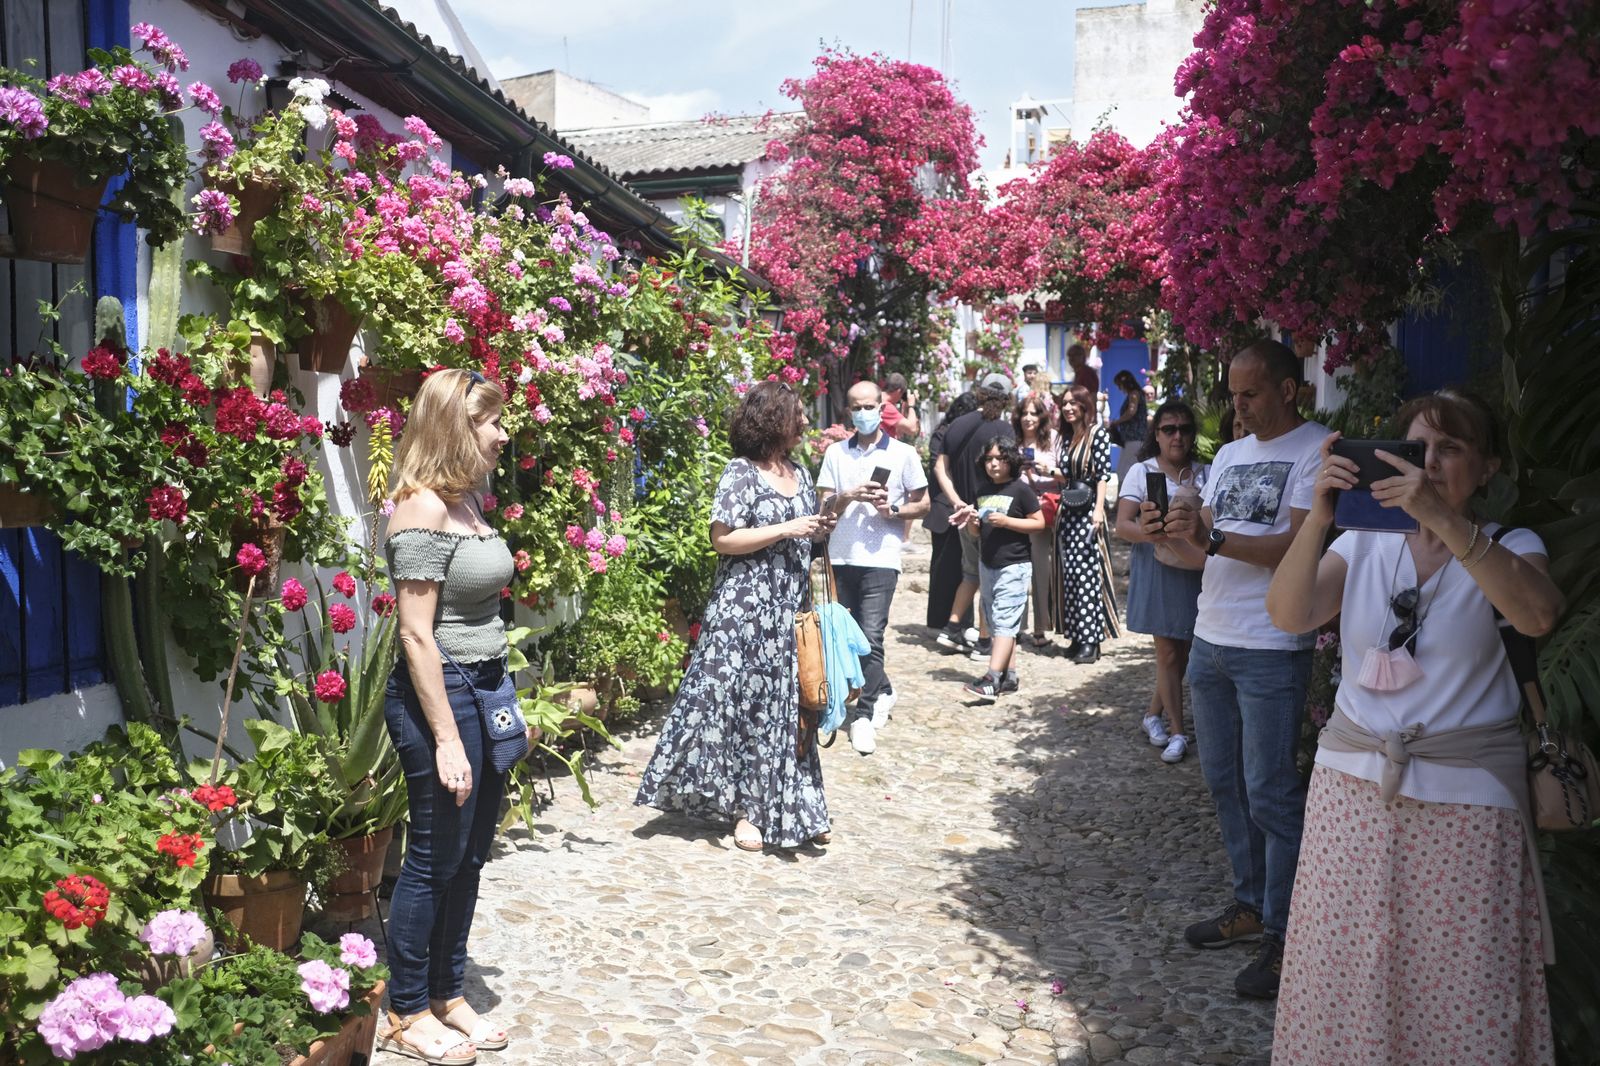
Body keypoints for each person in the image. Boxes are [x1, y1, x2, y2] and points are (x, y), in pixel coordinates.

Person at [1265, 390, 1562, 1063]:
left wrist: (1441, 519)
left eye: (1451, 449)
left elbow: (1538, 615)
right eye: (1418, 447)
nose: (1429, 463)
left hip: (1468, 805)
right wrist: (1318, 519)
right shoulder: (1369, 544)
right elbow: (1288, 614)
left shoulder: (1512, 545)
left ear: (1486, 468)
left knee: (1462, 992)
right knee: (1344, 978)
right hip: (1351, 794)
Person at [1159, 338, 1331, 998]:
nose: (1236, 404)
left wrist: (1212, 537)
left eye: (1249, 392)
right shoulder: (1229, 454)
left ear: (1288, 389)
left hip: (1271, 645)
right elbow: (1204, 536)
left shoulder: (1317, 451)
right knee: (1225, 783)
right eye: (1231, 393)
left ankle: (1287, 937)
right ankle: (1251, 905)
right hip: (1212, 637)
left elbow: (1294, 546)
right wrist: (1169, 524)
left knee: (1271, 792)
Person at [379, 368, 518, 1065]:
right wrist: (443, 738)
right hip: (443, 696)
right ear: (457, 426)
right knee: (432, 859)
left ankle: (445, 991)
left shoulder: (467, 504)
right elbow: (414, 634)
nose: (503, 431)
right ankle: (405, 1010)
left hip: (486, 688)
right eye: (492, 420)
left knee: (467, 858)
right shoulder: (422, 509)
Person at [635, 381, 837, 851]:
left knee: (789, 709)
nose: (806, 421)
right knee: (739, 704)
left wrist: (832, 514)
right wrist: (787, 527)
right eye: (798, 413)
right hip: (743, 608)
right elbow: (722, 539)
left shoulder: (801, 473)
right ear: (773, 421)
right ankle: (748, 809)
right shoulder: (740, 473)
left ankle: (797, 803)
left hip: (788, 605)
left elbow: (808, 539)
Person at [817, 380, 929, 756]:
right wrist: (848, 496)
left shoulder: (903, 453)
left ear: (882, 407)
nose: (865, 413)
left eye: (871, 406)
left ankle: (862, 716)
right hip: (842, 556)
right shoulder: (835, 454)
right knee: (844, 639)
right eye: (857, 407)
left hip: (881, 558)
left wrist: (892, 510)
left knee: (871, 635)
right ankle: (881, 689)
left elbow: (924, 503)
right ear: (848, 412)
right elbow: (823, 508)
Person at [1115, 400, 1209, 763]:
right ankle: (1178, 731)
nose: (1177, 436)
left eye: (1184, 429)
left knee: (1182, 651)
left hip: (1197, 568)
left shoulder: (1207, 472)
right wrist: (1153, 534)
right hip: (1157, 566)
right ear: (1157, 435)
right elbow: (1123, 525)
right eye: (1169, 429)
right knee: (1168, 651)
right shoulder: (1142, 472)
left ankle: (1153, 714)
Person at [932, 373, 1017, 658]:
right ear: (1007, 399)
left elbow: (939, 468)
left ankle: (953, 628)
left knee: (971, 573)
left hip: (965, 514)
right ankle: (983, 641)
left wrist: (957, 502)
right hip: (993, 513)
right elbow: (1009, 472)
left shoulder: (957, 425)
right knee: (989, 576)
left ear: (979, 394)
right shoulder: (1004, 428)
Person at [953, 436, 1043, 700]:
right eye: (989, 459)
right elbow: (976, 532)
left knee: (1004, 620)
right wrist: (972, 521)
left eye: (1000, 459)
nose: (994, 464)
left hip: (1014, 566)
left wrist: (1007, 522)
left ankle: (991, 678)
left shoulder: (1021, 490)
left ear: (1011, 461)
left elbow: (1038, 523)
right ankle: (1009, 675)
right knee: (998, 622)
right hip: (987, 563)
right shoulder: (982, 491)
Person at [1056, 384, 1118, 663]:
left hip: (1087, 510)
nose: (1068, 408)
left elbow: (1103, 474)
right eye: (1064, 404)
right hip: (1068, 509)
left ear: (1084, 405)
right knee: (1070, 575)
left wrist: (1098, 510)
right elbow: (1068, 475)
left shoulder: (1097, 433)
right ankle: (1077, 634)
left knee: (1087, 575)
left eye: (1073, 403)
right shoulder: (1069, 436)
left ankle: (1091, 640)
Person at [923, 390, 980, 630]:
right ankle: (940, 622)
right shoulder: (943, 434)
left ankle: (959, 622)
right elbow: (941, 469)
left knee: (963, 569)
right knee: (944, 569)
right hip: (946, 510)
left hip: (963, 508)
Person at [1013, 393, 1063, 646]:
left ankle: (1040, 628)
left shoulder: (1053, 440)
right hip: (1015, 512)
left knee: (1042, 571)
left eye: (1034, 413)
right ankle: (1016, 627)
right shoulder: (1013, 441)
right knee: (1016, 570)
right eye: (1025, 413)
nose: (1029, 418)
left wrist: (1046, 470)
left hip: (1042, 511)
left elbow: (1066, 476)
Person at [1110, 369, 1149, 482]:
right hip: (1134, 439)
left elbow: (1131, 411)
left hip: (1134, 438)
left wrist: (1117, 422)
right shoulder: (1137, 393)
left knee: (1125, 471)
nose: (1119, 388)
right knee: (1126, 470)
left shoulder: (1134, 394)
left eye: (1119, 385)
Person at [879, 372, 921, 443]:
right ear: (898, 391)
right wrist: (911, 406)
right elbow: (912, 429)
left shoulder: (878, 399)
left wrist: (904, 407)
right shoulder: (886, 406)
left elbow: (899, 432)